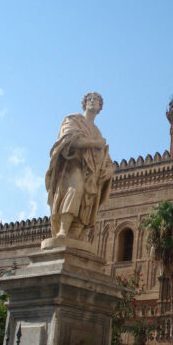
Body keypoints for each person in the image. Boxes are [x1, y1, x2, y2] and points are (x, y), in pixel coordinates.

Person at [45, 92, 113, 242]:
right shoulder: (73, 119)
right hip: (73, 165)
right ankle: (63, 230)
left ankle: (75, 235)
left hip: (92, 173)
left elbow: (105, 157)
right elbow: (68, 140)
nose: (93, 102)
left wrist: (109, 169)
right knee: (75, 190)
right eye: (90, 99)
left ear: (100, 107)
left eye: (97, 100)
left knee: (87, 202)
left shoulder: (97, 132)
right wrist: (95, 143)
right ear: (85, 103)